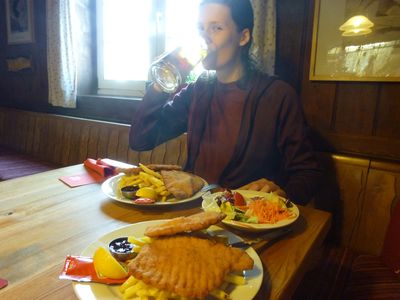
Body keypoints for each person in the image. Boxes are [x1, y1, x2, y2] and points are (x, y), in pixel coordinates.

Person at [129, 0, 321, 205]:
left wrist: (281, 194)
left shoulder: (277, 96)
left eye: (216, 28)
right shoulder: (199, 90)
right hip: (192, 212)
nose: (204, 38)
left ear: (243, 37)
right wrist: (161, 82)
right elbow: (141, 139)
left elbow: (307, 173)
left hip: (242, 222)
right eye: (200, 28)